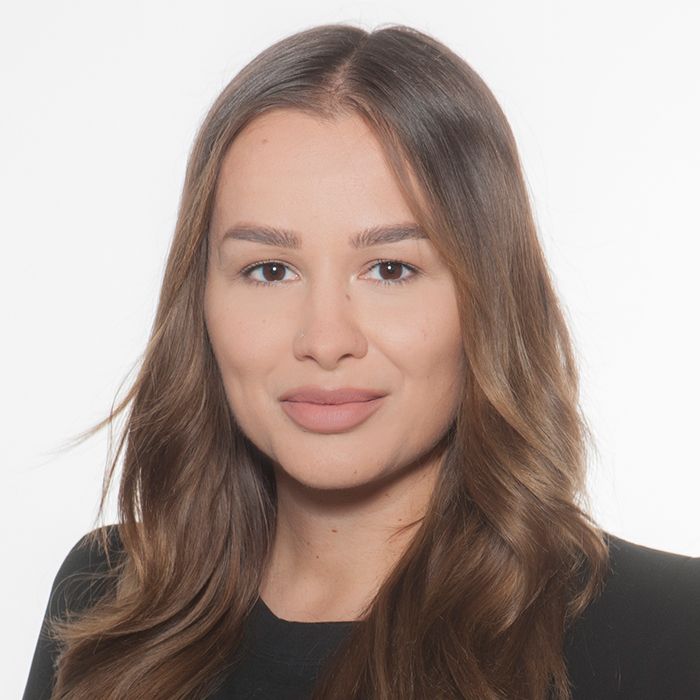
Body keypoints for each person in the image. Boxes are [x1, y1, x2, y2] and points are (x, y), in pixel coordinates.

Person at [22, 22, 699, 700]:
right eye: (269, 270)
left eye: (390, 269)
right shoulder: (108, 601)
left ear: (489, 299)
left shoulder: (670, 630)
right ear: (199, 301)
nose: (325, 339)